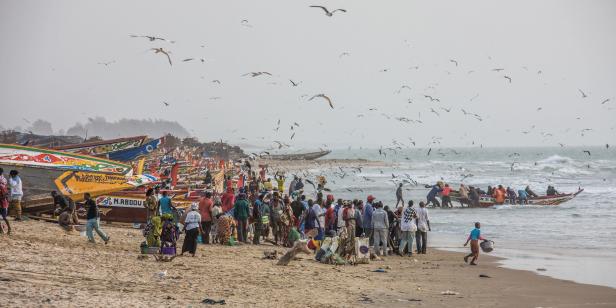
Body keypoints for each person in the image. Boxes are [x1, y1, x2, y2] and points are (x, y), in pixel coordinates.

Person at [0, 169, 11, 234]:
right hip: (3, 203)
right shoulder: (4, 179)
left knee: (4, 217)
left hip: (3, 204)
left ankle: (9, 228)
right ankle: (2, 230)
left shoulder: (1, 186)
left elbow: (5, 195)